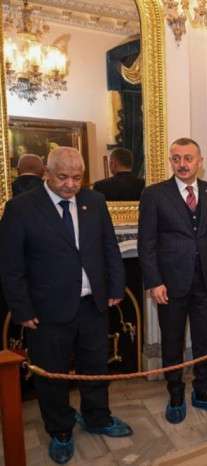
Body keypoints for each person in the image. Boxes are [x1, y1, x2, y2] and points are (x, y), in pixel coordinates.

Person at [0, 147, 132, 464]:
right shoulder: (21, 208)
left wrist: (116, 287)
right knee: (52, 375)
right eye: (63, 177)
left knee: (96, 367)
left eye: (77, 177)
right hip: (47, 309)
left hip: (92, 305)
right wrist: (22, 309)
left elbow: (109, 247)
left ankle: (97, 416)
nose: (71, 184)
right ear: (46, 172)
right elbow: (11, 266)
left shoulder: (94, 201)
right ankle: (60, 430)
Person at [138, 137, 207, 424]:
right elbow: (146, 243)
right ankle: (176, 393)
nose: (182, 164)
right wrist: (154, 282)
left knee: (205, 339)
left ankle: (203, 389)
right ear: (171, 161)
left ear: (200, 162)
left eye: (188, 158)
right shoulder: (154, 194)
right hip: (169, 284)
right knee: (172, 340)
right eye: (176, 158)